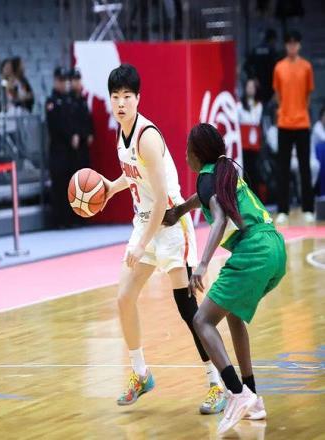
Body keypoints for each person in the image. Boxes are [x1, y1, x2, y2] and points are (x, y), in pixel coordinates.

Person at [101, 64, 225, 412]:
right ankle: (141, 373)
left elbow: (159, 200)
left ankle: (217, 382)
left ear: (138, 98)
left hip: (170, 225)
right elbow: (134, 174)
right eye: (115, 97)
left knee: (188, 309)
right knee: (124, 298)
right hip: (145, 223)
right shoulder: (122, 134)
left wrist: (142, 244)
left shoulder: (147, 137)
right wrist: (111, 187)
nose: (121, 103)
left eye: (127, 96)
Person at [163, 123, 286, 435]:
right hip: (275, 247)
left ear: (196, 154)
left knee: (202, 320)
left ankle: (236, 393)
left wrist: (202, 265)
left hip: (254, 251)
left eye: (187, 149)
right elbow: (204, 199)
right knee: (232, 315)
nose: (185, 154)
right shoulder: (223, 170)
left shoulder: (207, 178)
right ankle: (252, 397)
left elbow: (218, 217)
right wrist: (180, 210)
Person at [273, 30, 314, 224]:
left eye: (295, 43)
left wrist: (299, 110)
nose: (292, 46)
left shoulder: (307, 67)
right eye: (289, 43)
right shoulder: (279, 67)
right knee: (283, 167)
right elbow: (278, 95)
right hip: (284, 123)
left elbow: (308, 95)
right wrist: (286, 110)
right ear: (285, 45)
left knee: (305, 166)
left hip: (302, 122)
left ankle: (308, 208)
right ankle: (283, 209)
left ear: (299, 45)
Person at [46, 67, 77, 229]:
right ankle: (58, 220)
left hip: (69, 149)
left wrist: (75, 134)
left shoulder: (69, 100)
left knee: (69, 182)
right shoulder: (52, 101)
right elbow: (55, 125)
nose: (65, 83)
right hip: (58, 148)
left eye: (66, 80)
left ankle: (69, 218)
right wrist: (69, 135)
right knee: (59, 184)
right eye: (61, 80)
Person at [237, 78, 263, 197]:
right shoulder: (239, 105)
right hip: (243, 142)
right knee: (244, 169)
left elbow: (255, 119)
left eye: (252, 87)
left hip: (254, 143)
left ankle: (255, 196)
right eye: (248, 87)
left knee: (255, 170)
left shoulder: (259, 105)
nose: (250, 89)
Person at [69, 68, 94, 169]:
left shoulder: (83, 99)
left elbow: (87, 117)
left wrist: (90, 132)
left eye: (78, 79)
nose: (77, 82)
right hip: (73, 143)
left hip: (84, 140)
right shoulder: (68, 100)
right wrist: (73, 134)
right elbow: (68, 120)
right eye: (74, 80)